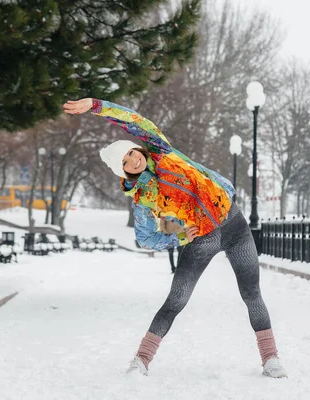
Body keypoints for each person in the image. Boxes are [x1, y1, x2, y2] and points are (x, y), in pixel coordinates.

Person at [63, 98, 287, 378]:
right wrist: (179, 237)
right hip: (201, 238)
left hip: (235, 225)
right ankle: (141, 361)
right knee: (176, 300)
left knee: (252, 293)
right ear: (124, 172)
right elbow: (145, 239)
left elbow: (133, 120)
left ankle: (271, 359)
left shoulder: (160, 150)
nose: (133, 160)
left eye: (131, 153)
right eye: (125, 163)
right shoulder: (143, 199)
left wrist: (95, 106)